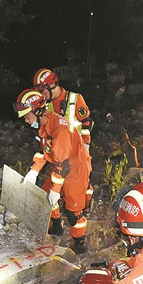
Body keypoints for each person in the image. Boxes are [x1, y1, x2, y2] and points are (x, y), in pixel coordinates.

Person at [13, 88, 92, 254]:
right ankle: (56, 225)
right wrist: (34, 171)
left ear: (38, 111)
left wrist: (56, 189)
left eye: (27, 116)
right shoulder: (46, 124)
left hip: (76, 169)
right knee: (45, 194)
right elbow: (44, 151)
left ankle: (79, 243)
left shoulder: (60, 131)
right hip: (63, 165)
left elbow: (64, 166)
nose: (26, 121)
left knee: (74, 212)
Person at [33, 68, 95, 209]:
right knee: (52, 188)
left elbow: (86, 123)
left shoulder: (75, 99)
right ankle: (56, 215)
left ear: (52, 85)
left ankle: (84, 207)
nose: (41, 95)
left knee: (82, 185)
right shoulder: (45, 105)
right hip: (60, 154)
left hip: (78, 153)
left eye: (42, 90)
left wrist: (85, 146)